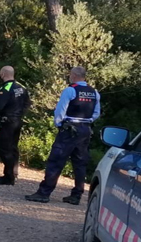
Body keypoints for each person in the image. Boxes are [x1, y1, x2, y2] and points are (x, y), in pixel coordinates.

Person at [25, 66, 101, 205]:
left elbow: (60, 110)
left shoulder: (70, 90)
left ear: (73, 76)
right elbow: (96, 113)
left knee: (56, 160)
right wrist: (86, 122)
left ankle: (44, 193)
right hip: (85, 130)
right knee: (80, 163)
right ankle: (76, 196)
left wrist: (59, 124)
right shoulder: (94, 92)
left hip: (69, 129)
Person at [0, 65, 30, 185]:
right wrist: (19, 115)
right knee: (13, 148)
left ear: (2, 74)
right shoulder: (21, 88)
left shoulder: (6, 87)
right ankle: (14, 173)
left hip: (6, 121)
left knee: (5, 149)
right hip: (17, 121)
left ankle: (9, 176)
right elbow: (27, 103)